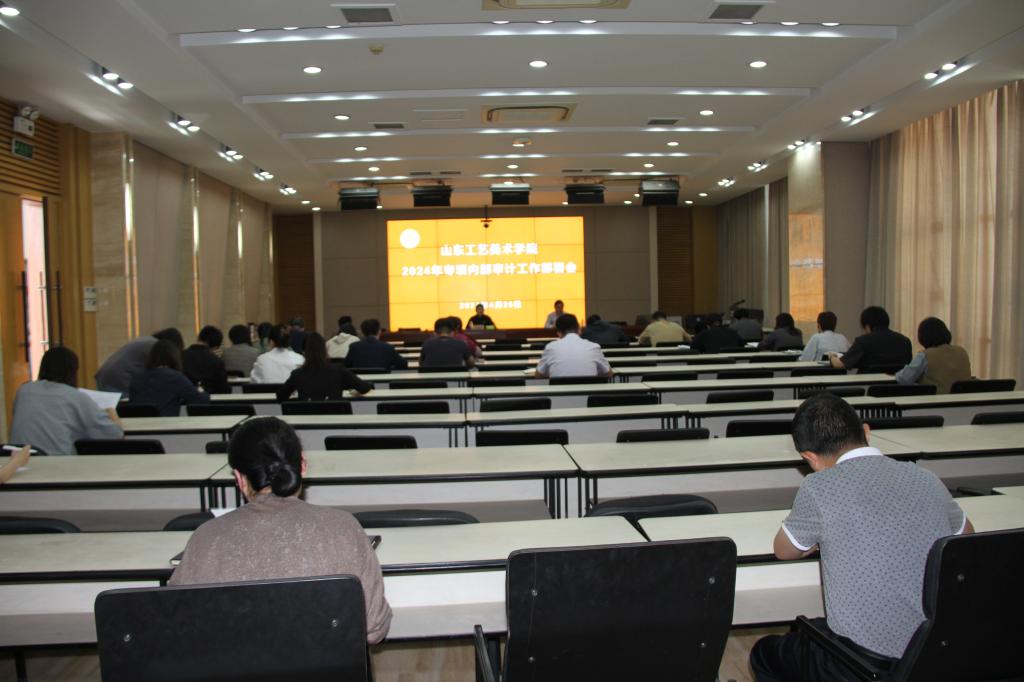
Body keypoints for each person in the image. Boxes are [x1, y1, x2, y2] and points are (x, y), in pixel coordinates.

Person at [749, 392, 972, 681]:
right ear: (866, 431)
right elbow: (965, 535)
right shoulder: (926, 478)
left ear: (809, 458)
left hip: (863, 665)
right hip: (931, 651)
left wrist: (817, 538)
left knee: (764, 653)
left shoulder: (819, 486)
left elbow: (784, 550)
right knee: (812, 630)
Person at [168, 416, 391, 644]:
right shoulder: (344, 527)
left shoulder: (205, 538)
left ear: (239, 478)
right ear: (302, 465)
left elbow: (176, 626)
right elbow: (374, 629)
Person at [10, 347, 123, 455]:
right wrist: (111, 411)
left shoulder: (24, 391)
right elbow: (114, 435)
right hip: (57, 461)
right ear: (73, 371)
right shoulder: (76, 397)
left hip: (18, 460)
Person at [276, 333, 372, 401]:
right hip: (335, 419)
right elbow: (365, 387)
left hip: (307, 419)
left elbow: (280, 397)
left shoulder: (297, 374)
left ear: (304, 353)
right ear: (325, 350)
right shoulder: (338, 370)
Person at [129, 340, 211, 416]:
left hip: (137, 424)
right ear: (174, 357)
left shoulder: (137, 377)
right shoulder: (175, 377)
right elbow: (200, 400)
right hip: (166, 424)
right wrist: (201, 391)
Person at [94, 327, 184, 394]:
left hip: (105, 375)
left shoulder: (146, 340)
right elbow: (161, 373)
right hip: (119, 379)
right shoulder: (155, 346)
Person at [895, 317, 972, 394]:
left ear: (923, 337)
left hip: (936, 399)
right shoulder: (962, 352)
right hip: (964, 399)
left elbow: (904, 379)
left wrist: (897, 374)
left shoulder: (925, 355)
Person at [830, 306, 913, 372]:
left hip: (868, 386)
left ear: (867, 326)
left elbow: (840, 365)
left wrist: (832, 356)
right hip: (898, 386)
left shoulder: (863, 341)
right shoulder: (905, 341)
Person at [535, 314, 612, 379]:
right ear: (579, 328)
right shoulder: (594, 347)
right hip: (588, 392)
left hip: (559, 393)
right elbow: (609, 374)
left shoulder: (551, 347)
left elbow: (538, 375)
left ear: (559, 333)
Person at [183, 326, 230, 394]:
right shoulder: (217, 362)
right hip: (210, 399)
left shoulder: (181, 356)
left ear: (199, 338)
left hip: (185, 398)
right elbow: (224, 390)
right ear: (215, 347)